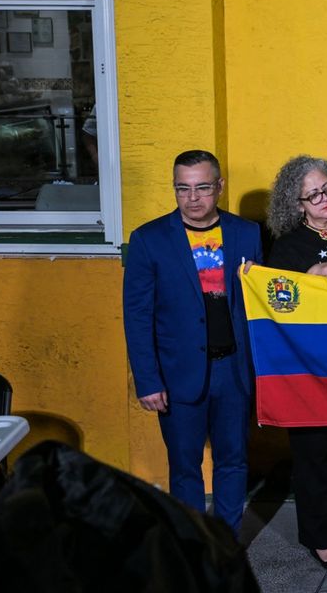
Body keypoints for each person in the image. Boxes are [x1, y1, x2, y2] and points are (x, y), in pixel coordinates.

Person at [122, 149, 262, 532]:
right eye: (182, 188)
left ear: (219, 186)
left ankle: (226, 541)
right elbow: (137, 317)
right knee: (184, 466)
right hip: (177, 373)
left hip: (233, 369)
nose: (192, 198)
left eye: (202, 187)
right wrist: (147, 380)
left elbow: (261, 305)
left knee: (234, 460)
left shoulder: (246, 233)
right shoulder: (149, 239)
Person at [263, 154, 327, 572]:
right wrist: (311, 273)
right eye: (313, 195)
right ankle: (319, 538)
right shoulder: (287, 246)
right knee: (313, 451)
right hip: (305, 368)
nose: (324, 199)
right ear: (297, 203)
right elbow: (274, 298)